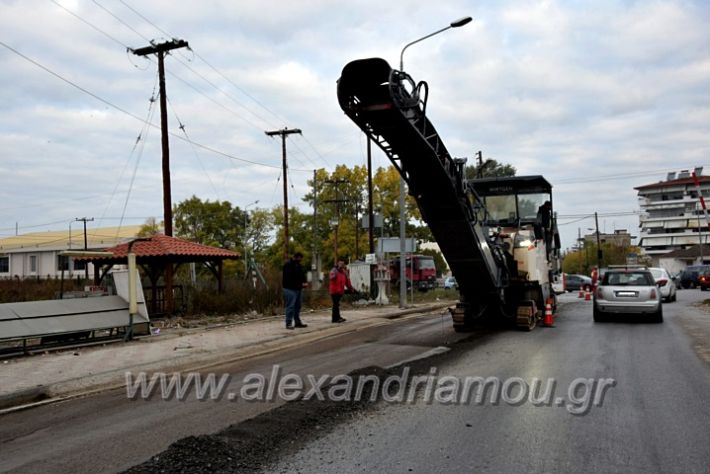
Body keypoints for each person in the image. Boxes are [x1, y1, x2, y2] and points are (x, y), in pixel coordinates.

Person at [282, 252, 308, 330]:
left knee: (297, 306)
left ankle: (297, 322)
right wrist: (301, 283)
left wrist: (304, 282)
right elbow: (290, 278)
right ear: (295, 257)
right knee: (290, 306)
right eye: (299, 258)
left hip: (298, 289)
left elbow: (302, 275)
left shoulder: (299, 266)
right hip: (290, 288)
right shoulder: (288, 265)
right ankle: (288, 323)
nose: (300, 259)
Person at [329, 259, 353, 323]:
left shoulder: (343, 272)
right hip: (334, 291)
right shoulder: (334, 270)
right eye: (340, 263)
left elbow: (347, 282)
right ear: (338, 264)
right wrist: (335, 271)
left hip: (340, 291)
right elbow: (331, 277)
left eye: (343, 264)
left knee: (337, 304)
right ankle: (334, 319)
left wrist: (350, 288)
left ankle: (338, 317)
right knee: (335, 304)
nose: (341, 265)